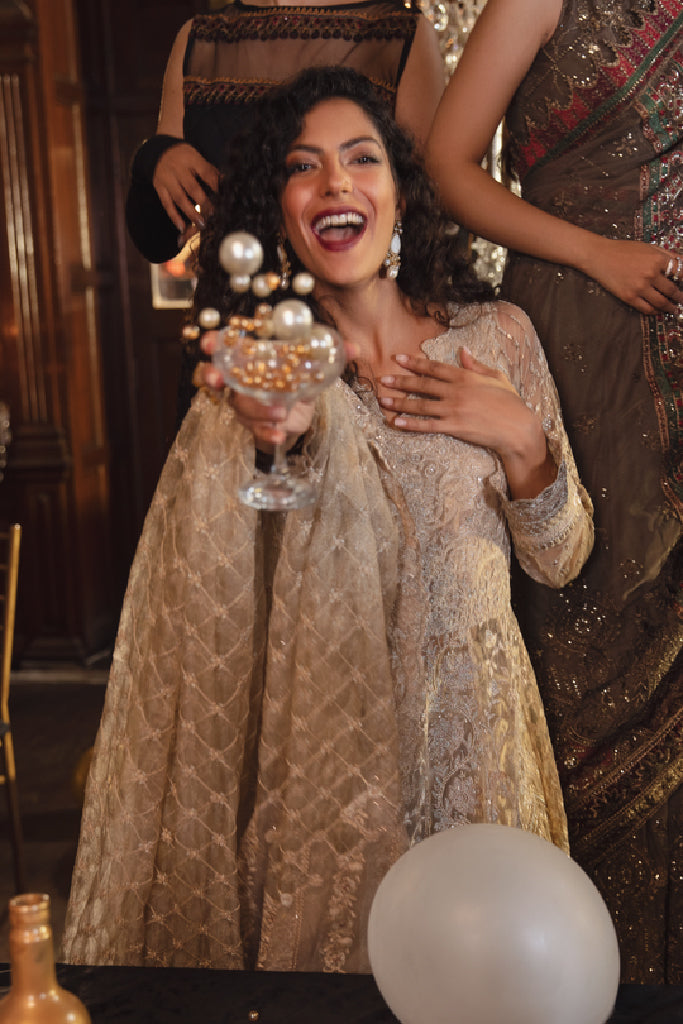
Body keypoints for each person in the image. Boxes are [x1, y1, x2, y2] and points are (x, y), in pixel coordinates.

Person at [63, 67, 593, 971]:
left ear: (400, 193)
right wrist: (279, 448)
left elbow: (560, 558)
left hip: (481, 752)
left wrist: (520, 441)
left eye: (361, 158)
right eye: (303, 166)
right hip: (330, 774)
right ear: (279, 214)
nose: (336, 181)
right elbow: (218, 601)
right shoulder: (264, 376)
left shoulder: (497, 337)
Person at [425, 0, 682, 982]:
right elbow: (447, 168)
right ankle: (575, 962)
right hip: (581, 329)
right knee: (588, 614)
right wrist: (592, 250)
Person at [125, 0, 445, 425]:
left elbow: (423, 209)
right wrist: (154, 156)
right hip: (239, 328)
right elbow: (158, 238)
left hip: (361, 338)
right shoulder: (200, 40)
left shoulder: (400, 32)